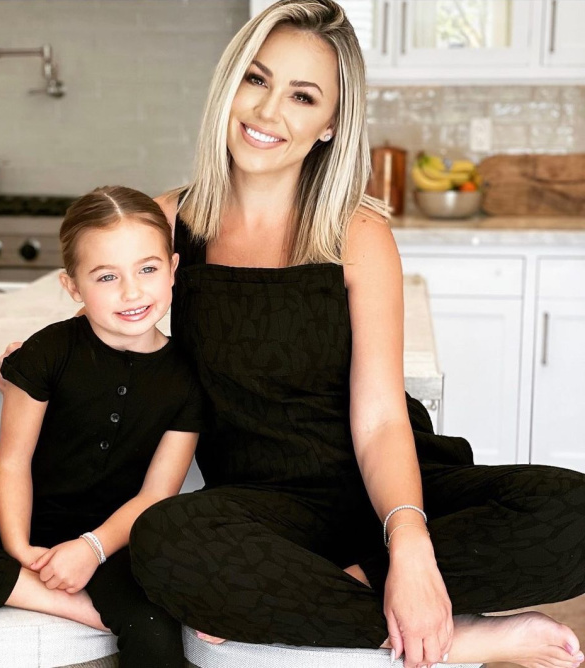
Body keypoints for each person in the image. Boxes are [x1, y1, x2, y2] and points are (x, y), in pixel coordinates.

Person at [122, 2, 585, 668]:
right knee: (164, 541)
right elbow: (106, 323)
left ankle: (338, 593)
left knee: (574, 512)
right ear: (229, 85)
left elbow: (379, 421)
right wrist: (44, 361)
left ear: (331, 123)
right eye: (257, 79)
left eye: (301, 95)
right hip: (262, 511)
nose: (267, 111)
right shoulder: (167, 222)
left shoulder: (357, 236)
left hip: (381, 487)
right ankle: (458, 639)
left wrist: (410, 544)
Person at [0, 186, 205, 668]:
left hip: (113, 538)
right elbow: (12, 461)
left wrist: (91, 549)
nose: (132, 292)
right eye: (106, 276)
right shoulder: (47, 351)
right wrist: (20, 547)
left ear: (173, 268)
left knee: (154, 634)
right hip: (21, 513)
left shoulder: (187, 379)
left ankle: (98, 598)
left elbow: (154, 497)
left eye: (148, 269)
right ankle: (77, 607)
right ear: (72, 286)